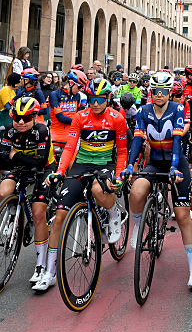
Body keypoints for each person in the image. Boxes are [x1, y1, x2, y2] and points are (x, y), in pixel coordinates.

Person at [38, 77, 127, 292]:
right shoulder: (80, 117)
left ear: (107, 98)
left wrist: (118, 175)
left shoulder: (117, 118)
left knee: (98, 189)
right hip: (81, 164)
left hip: (106, 163)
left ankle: (114, 212)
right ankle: (49, 273)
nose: (95, 103)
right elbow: (70, 147)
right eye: (91, 99)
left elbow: (122, 152)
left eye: (99, 99)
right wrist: (60, 171)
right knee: (60, 215)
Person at [122, 71, 192, 290]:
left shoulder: (177, 109)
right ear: (150, 92)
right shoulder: (143, 111)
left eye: (163, 92)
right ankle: (138, 227)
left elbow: (177, 140)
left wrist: (175, 168)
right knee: (136, 192)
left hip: (177, 164)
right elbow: (138, 140)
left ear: (169, 93)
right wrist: (130, 165)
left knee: (183, 216)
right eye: (155, 91)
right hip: (155, 162)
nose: (159, 95)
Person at [0, 96, 54, 286]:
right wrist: (15, 159)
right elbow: (2, 160)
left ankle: (40, 265)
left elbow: (40, 162)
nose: (21, 122)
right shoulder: (10, 131)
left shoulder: (42, 130)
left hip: (44, 169)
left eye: (27, 118)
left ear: (35, 117)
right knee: (3, 192)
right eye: (17, 117)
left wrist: (16, 155)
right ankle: (13, 214)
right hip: (22, 168)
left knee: (38, 214)